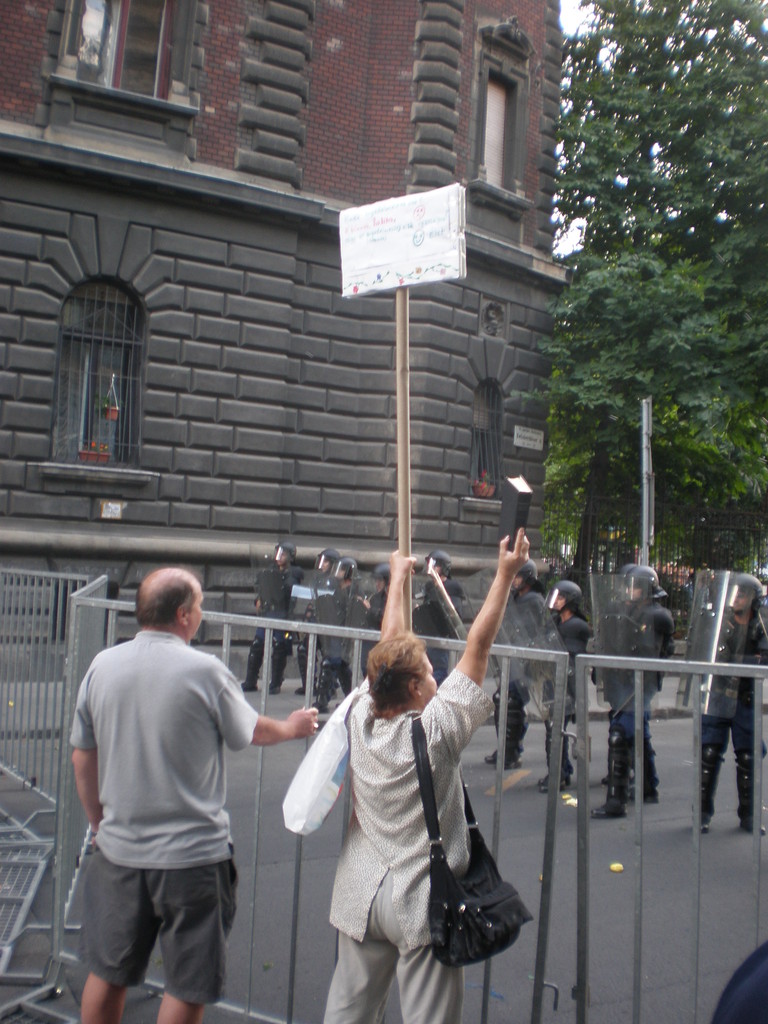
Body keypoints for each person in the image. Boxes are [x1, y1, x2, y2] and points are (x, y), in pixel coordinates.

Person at [70, 567, 318, 1024]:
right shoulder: (205, 671)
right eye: (200, 605)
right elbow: (253, 731)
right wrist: (293, 726)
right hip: (192, 859)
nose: (201, 613)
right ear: (183, 615)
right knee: (187, 985)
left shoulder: (102, 666)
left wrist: (99, 824)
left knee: (106, 972)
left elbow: (82, 755)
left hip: (119, 852)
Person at [322, 530, 530, 1024]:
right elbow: (478, 646)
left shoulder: (359, 714)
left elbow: (387, 651)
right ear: (415, 687)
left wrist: (397, 580)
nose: (438, 676)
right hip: (419, 899)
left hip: (359, 893)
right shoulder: (435, 733)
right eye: (430, 672)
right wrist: (505, 574)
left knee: (347, 1013)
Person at [591, 565, 674, 819]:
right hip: (619, 680)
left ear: (648, 589)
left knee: (620, 735)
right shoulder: (618, 610)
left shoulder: (658, 616)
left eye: (635, 587)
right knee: (638, 735)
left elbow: (661, 650)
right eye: (628, 586)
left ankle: (616, 801)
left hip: (641, 682)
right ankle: (649, 786)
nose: (629, 591)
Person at [700, 573, 768, 834]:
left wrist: (745, 662)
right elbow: (710, 655)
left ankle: (748, 815)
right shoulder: (719, 623)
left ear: (752, 599)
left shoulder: (760, 626)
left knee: (749, 756)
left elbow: (764, 660)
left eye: (741, 594)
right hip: (718, 694)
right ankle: (702, 812)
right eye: (733, 593)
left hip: (745, 697)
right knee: (709, 753)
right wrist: (749, 660)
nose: (735, 598)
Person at [485, 559, 546, 769]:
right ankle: (505, 747)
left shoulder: (534, 600)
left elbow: (533, 631)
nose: (515, 580)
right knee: (502, 699)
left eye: (518, 576)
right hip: (511, 658)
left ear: (528, 578)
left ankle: (512, 752)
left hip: (525, 661)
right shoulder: (514, 598)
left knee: (512, 701)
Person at [538, 580, 591, 793]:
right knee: (553, 728)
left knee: (555, 730)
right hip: (552, 681)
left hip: (568, 684)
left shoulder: (577, 626)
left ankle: (557, 775)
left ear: (570, 601)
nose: (556, 601)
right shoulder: (555, 621)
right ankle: (563, 770)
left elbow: (569, 655)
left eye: (560, 597)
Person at [244, 540, 303, 694]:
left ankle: (276, 682)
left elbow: (292, 592)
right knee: (257, 645)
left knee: (279, 647)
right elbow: (263, 588)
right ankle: (250, 680)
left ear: (290, 556)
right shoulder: (270, 570)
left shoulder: (294, 573)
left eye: (283, 554)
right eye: (278, 553)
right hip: (268, 613)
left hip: (283, 615)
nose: (279, 557)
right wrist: (258, 600)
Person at [313, 556, 358, 713]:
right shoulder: (333, 587)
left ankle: (327, 700)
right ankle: (344, 700)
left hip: (344, 634)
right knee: (337, 665)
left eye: (341, 570)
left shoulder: (354, 590)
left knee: (335, 664)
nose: (337, 572)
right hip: (333, 631)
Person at [296, 548, 340, 696]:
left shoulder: (338, 583)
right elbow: (313, 602)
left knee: (329, 658)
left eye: (326, 561)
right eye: (321, 561)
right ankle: (309, 685)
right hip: (317, 622)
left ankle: (329, 687)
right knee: (303, 649)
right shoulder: (317, 580)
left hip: (331, 626)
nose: (322, 564)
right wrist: (306, 620)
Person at [420, 550, 466, 686]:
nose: (430, 567)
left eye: (433, 564)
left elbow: (454, 613)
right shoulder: (429, 586)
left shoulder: (452, 587)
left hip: (443, 638)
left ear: (441, 567)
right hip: (430, 635)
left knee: (440, 672)